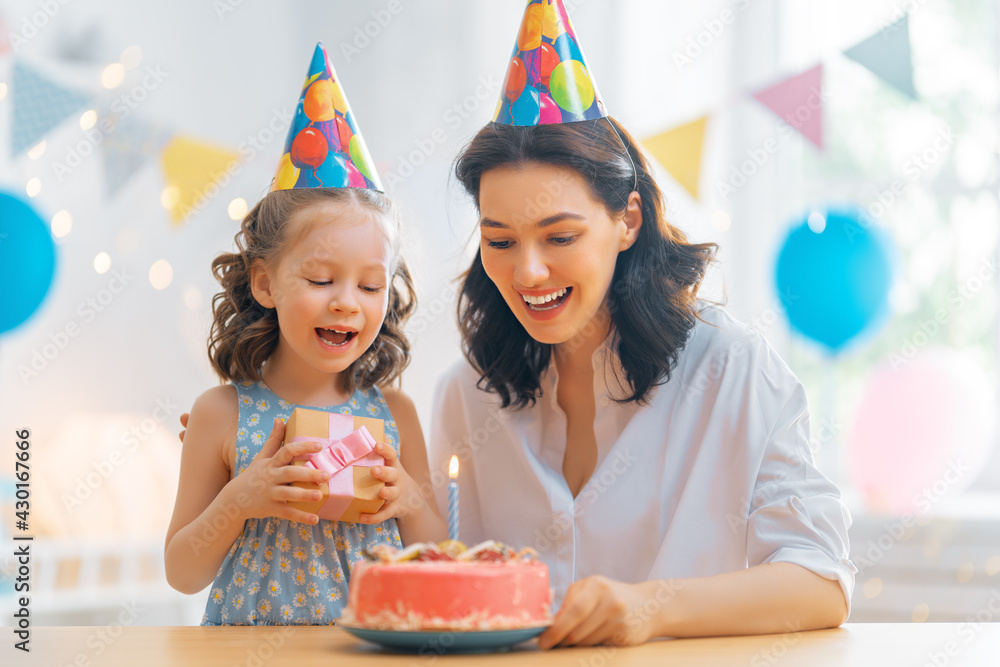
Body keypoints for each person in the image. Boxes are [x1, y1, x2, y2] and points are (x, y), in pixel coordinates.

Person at [428, 0, 854, 649]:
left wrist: (654, 606)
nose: (529, 272)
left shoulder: (731, 368)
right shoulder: (466, 393)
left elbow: (820, 583)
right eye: (500, 240)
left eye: (560, 235)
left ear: (627, 219)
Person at [164, 43, 445, 626]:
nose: (346, 302)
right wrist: (241, 500)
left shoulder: (396, 414)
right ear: (266, 283)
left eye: (371, 287)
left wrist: (409, 501)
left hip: (372, 652)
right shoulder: (221, 413)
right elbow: (182, 573)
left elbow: (439, 553)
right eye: (321, 278)